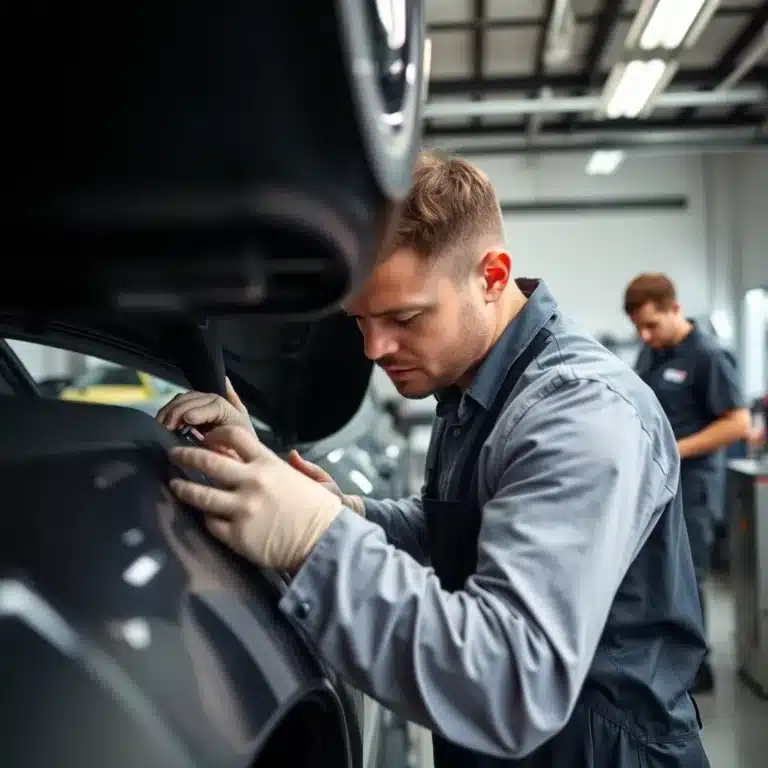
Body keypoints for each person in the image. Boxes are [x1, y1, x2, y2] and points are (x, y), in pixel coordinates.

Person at [158, 153, 710, 767]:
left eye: (404, 317)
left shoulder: (579, 413)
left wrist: (316, 540)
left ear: (493, 277)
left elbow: (511, 683)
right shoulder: (473, 383)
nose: (374, 348)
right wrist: (344, 511)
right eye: (361, 320)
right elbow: (462, 528)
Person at [624, 273, 751, 694]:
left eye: (652, 325)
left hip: (694, 485)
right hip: (656, 484)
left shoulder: (707, 356)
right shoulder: (652, 353)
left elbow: (738, 422)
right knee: (658, 573)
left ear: (674, 309)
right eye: (639, 328)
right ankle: (669, 660)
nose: (645, 335)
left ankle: (699, 668)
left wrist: (675, 448)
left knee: (687, 575)